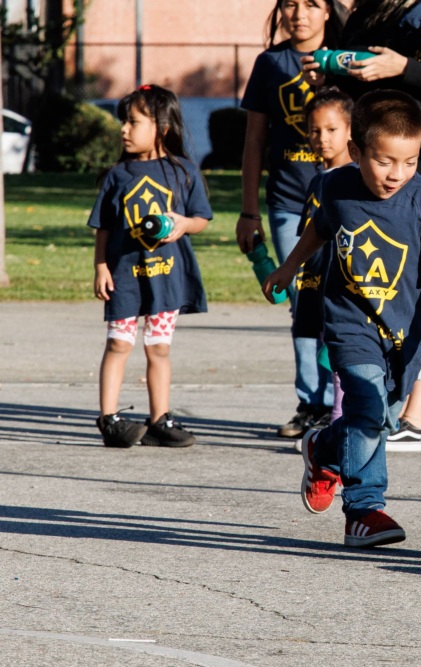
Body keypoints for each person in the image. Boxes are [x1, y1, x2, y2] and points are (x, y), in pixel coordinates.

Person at [263, 89, 421, 548]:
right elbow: (320, 229)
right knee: (368, 408)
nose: (397, 174)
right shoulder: (335, 186)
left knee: (382, 414)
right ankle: (364, 509)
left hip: (405, 334)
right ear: (356, 152)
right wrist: (287, 267)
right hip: (349, 324)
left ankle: (323, 447)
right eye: (384, 161)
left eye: (409, 161)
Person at [304, 0, 421, 451]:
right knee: (371, 290)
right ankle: (356, 415)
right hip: (369, 173)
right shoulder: (366, 14)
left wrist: (403, 67)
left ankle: (414, 416)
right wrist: (332, 74)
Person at [237, 0, 344, 439]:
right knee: (302, 296)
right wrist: (249, 211)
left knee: (343, 298)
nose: (299, 13)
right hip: (287, 202)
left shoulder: (346, 58)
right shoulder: (270, 63)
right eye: (290, 4)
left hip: (342, 199)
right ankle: (311, 402)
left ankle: (346, 398)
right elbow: (254, 140)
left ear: (327, 12)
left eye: (311, 4)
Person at [90, 84, 212, 448]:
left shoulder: (184, 171)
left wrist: (183, 225)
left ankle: (160, 419)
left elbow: (201, 218)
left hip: (165, 278)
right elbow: (104, 228)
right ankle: (109, 419)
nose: (123, 129)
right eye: (123, 122)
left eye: (132, 121)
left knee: (159, 348)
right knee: (118, 344)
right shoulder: (117, 175)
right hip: (125, 276)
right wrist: (101, 266)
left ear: (161, 126)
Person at [291, 86, 355, 452]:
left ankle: (340, 424)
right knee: (327, 354)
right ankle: (337, 421)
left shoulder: (353, 179)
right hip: (316, 282)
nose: (322, 138)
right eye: (315, 131)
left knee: (341, 357)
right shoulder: (317, 180)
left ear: (350, 131)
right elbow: (308, 238)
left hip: (343, 286)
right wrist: (292, 271)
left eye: (331, 130)